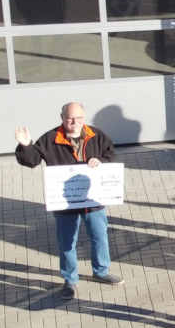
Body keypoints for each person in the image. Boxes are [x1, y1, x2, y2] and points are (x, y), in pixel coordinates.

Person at [15, 102, 124, 299]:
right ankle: (70, 280)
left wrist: (101, 161)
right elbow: (32, 161)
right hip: (65, 203)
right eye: (69, 118)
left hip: (94, 200)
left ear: (84, 117)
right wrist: (25, 146)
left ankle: (101, 272)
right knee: (67, 242)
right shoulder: (50, 139)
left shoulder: (97, 135)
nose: (74, 122)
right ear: (62, 117)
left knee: (99, 236)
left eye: (79, 118)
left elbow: (111, 154)